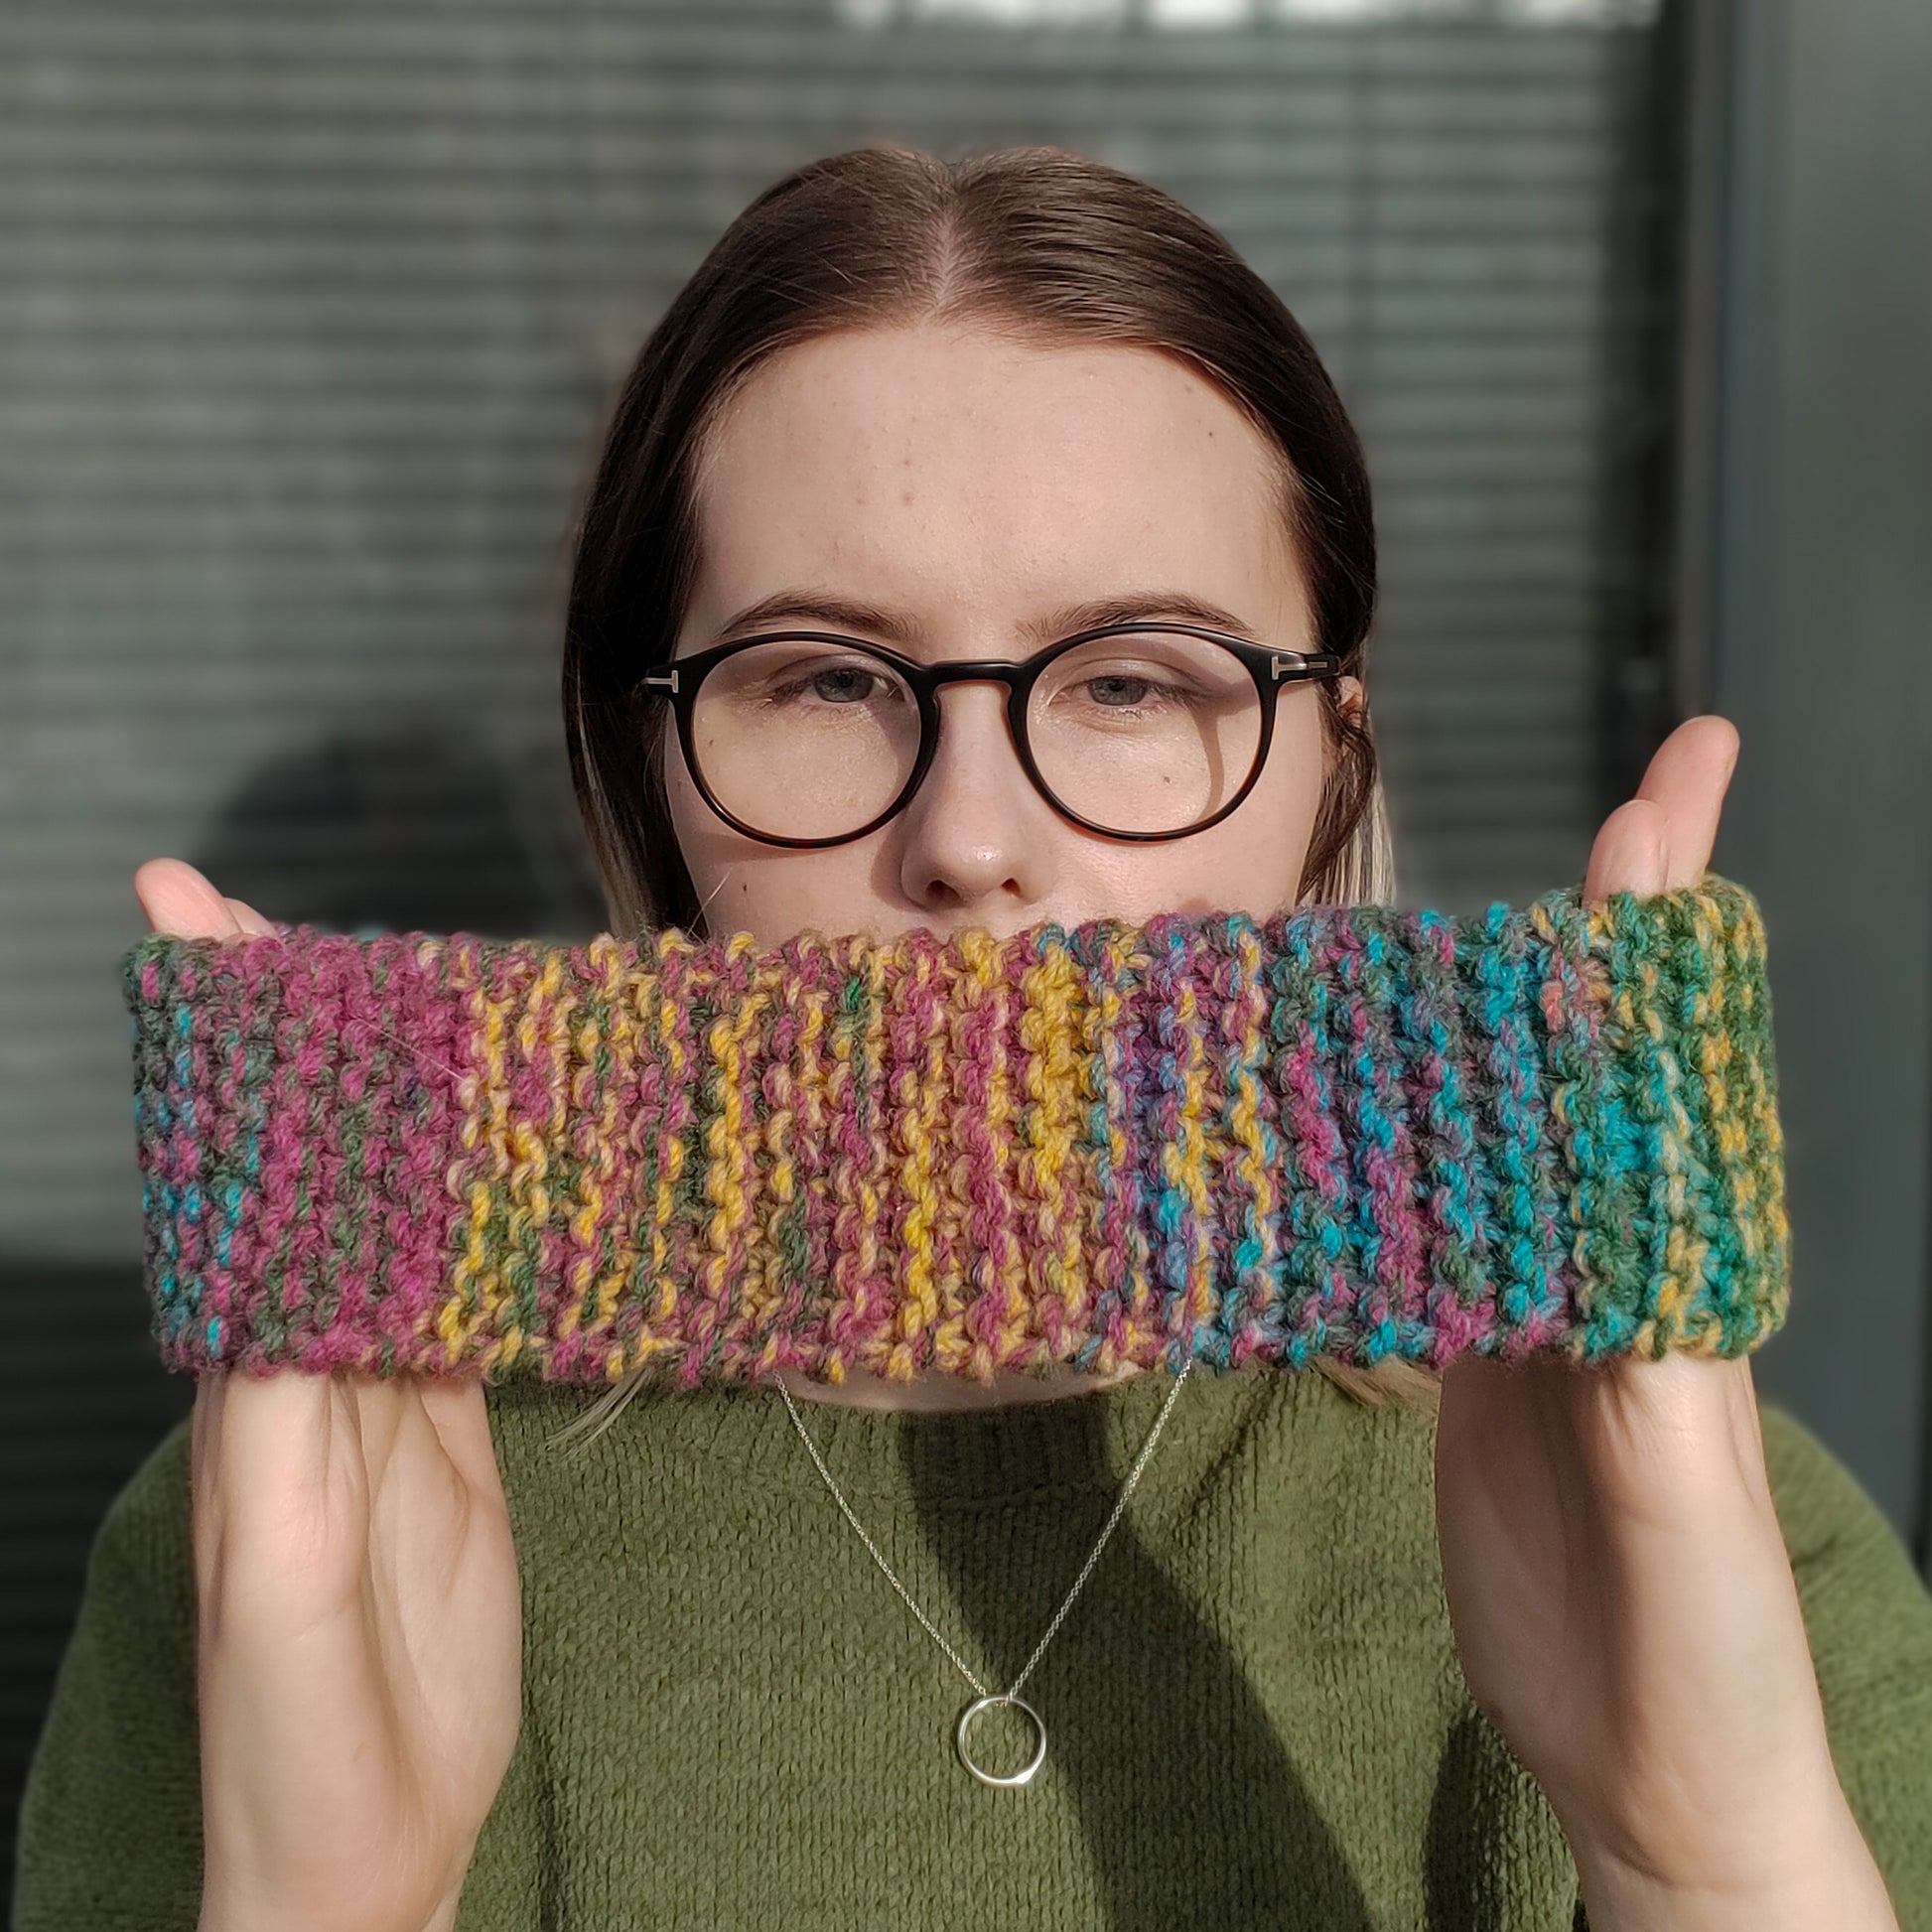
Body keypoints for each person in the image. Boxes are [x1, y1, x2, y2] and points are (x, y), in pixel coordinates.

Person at [15, 144, 1932, 1932]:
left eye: (1125, 679)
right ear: (646, 765)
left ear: (1331, 765)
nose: (970, 842)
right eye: (828, 679)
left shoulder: (1696, 1540)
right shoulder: (293, 1554)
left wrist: (1705, 1854)